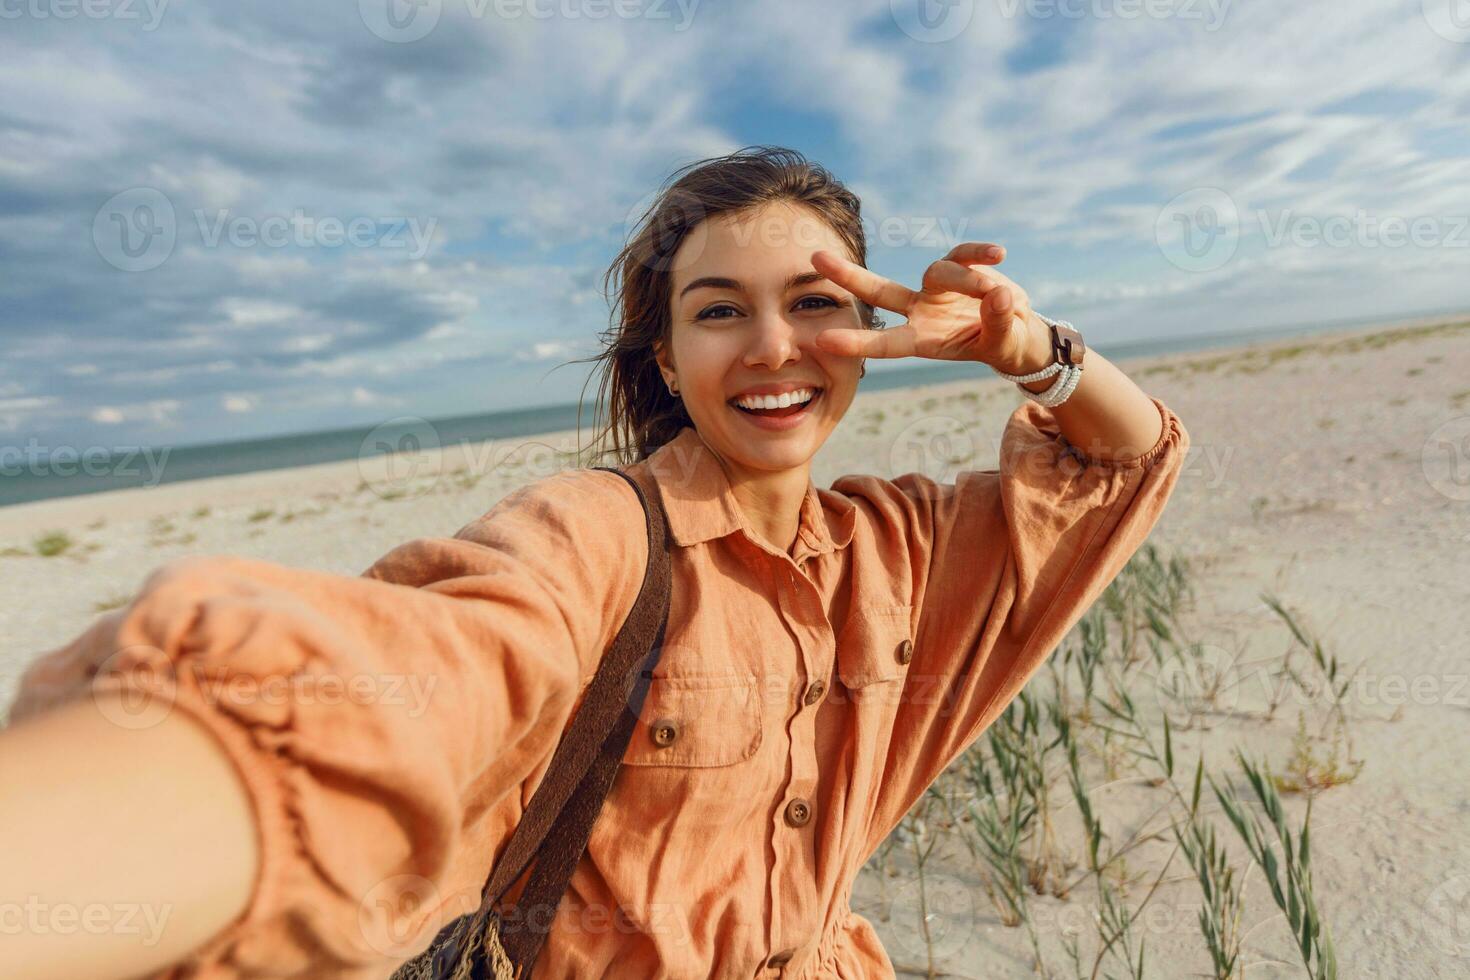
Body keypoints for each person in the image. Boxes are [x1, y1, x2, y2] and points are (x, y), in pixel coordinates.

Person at [1, 146, 1189, 979]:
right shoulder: (598, 534)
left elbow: (1122, 464)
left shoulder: (902, 545)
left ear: (868, 335)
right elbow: (408, 675)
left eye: (816, 301)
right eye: (719, 311)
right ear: (667, 360)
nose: (775, 345)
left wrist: (1029, 350)